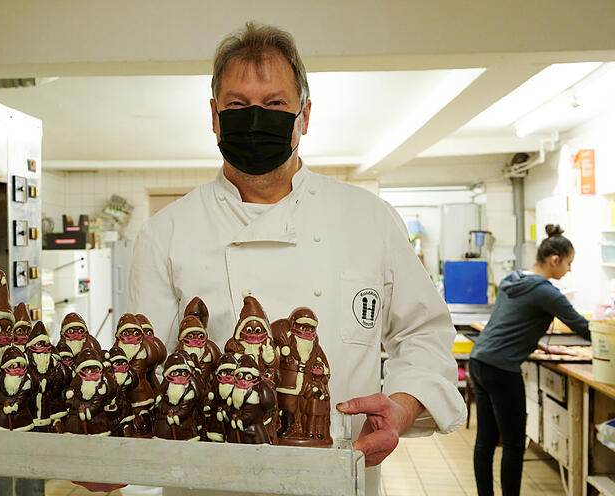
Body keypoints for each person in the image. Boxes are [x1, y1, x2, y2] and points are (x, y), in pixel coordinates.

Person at [79, 21, 465, 495]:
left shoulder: (370, 218)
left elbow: (423, 332)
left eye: (275, 104)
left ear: (304, 115)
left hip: (337, 483)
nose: (256, 119)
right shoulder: (166, 232)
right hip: (209, 486)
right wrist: (111, 445)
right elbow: (144, 366)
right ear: (215, 117)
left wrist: (404, 405)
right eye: (238, 106)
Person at [469, 224, 590, 496]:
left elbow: (506, 322)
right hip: (501, 369)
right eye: (569, 263)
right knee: (513, 443)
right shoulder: (546, 292)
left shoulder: (512, 279)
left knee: (486, 441)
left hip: (479, 360)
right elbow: (583, 327)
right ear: (555, 259)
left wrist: (538, 345)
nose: (569, 270)